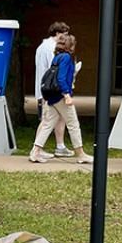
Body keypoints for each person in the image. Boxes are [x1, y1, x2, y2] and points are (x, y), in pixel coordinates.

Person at [30, 32, 93, 164]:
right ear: (71, 46)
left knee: (47, 124)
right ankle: (80, 154)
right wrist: (67, 95)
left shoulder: (57, 57)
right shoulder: (66, 58)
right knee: (73, 124)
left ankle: (35, 152)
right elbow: (61, 78)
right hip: (61, 96)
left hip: (52, 96)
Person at [34, 21, 72, 158]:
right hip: (51, 89)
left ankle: (59, 146)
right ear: (57, 33)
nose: (65, 38)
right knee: (47, 120)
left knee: (57, 118)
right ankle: (37, 149)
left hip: (45, 87)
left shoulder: (42, 47)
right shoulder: (51, 48)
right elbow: (56, 68)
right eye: (64, 34)